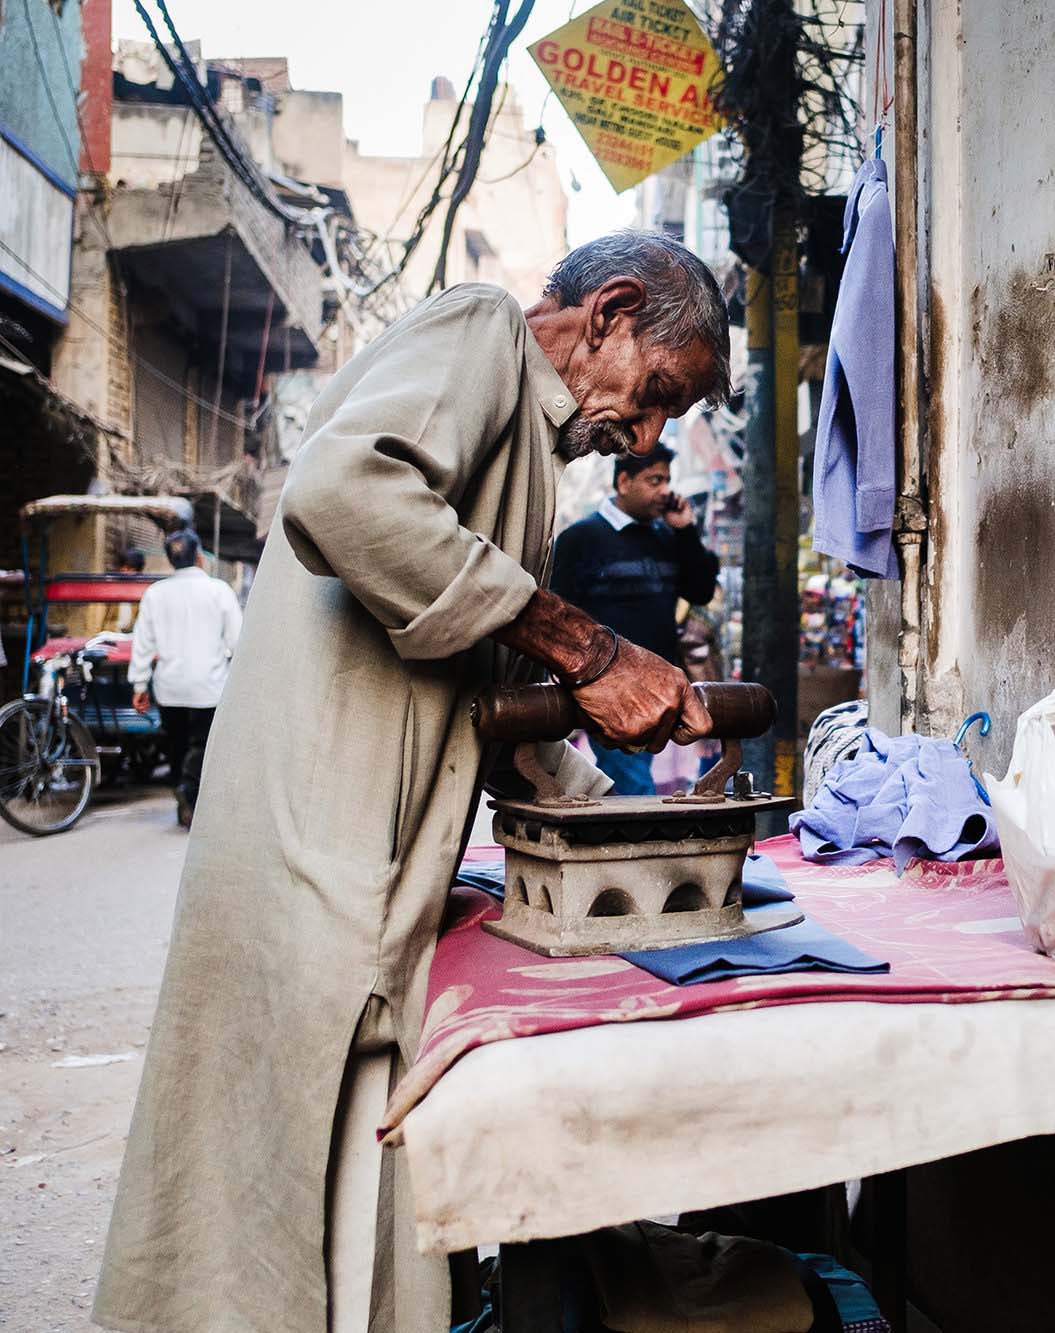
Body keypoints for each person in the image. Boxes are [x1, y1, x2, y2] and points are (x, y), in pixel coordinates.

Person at [95, 231, 732, 1333]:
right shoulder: (483, 329)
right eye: (661, 390)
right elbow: (342, 491)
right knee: (276, 1217)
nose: (650, 427)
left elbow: (481, 698)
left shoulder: (530, 461)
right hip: (320, 850)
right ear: (610, 312)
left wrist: (624, 814)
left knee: (353, 1218)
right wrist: (589, 650)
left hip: (372, 869)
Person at [549, 449, 720, 794]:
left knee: (641, 780)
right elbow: (559, 614)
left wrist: (686, 531)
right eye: (654, 480)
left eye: (667, 480)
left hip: (661, 687)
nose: (665, 490)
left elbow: (701, 591)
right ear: (623, 482)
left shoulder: (667, 537)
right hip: (610, 686)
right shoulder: (581, 539)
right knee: (634, 785)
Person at [128, 529, 241, 828]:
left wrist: (139, 684)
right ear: (200, 557)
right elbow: (237, 639)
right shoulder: (219, 591)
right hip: (210, 685)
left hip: (170, 686)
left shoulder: (155, 594)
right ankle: (188, 791)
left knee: (176, 744)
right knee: (202, 744)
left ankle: (182, 791)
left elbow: (142, 644)